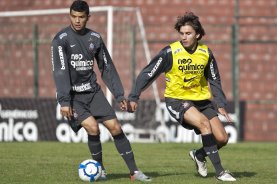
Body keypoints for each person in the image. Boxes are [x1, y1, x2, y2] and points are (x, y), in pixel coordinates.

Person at [128, 12, 236, 182]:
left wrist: (220, 103)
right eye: (182, 33)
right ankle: (221, 172)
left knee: (222, 139)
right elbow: (148, 73)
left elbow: (214, 79)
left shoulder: (206, 53)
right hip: (177, 100)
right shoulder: (170, 52)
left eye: (188, 33)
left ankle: (199, 155)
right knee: (203, 124)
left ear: (198, 34)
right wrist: (134, 96)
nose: (184, 37)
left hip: (201, 101)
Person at [50, 0, 151, 182]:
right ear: (70, 16)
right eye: (74, 16)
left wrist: (118, 93)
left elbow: (107, 67)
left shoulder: (95, 38)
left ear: (88, 17)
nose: (77, 20)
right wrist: (64, 101)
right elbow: (60, 71)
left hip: (93, 92)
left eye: (81, 17)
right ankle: (100, 170)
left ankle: (134, 172)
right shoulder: (60, 40)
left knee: (115, 127)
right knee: (92, 128)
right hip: (73, 97)